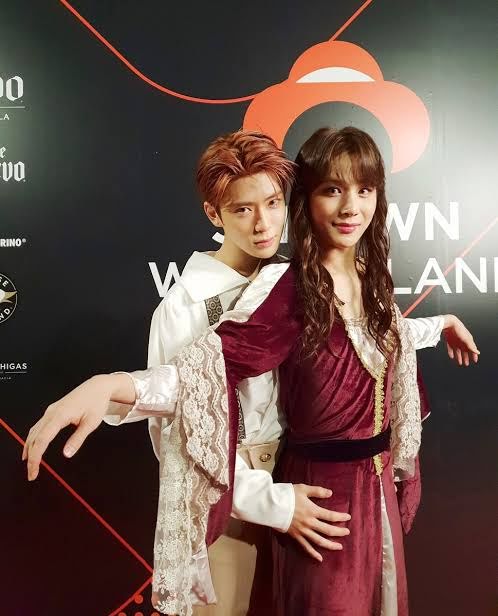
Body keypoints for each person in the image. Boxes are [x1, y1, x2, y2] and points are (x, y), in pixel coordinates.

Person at [23, 127, 479, 616]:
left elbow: (355, 338)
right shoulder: (205, 303)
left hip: (307, 484)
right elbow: (188, 398)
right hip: (236, 499)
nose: (263, 223)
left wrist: (438, 324)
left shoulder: (300, 276)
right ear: (215, 214)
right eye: (243, 209)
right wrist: (111, 386)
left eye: (272, 203)